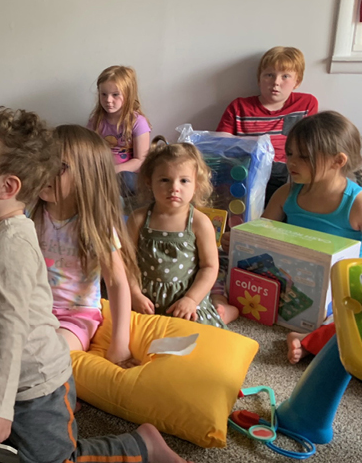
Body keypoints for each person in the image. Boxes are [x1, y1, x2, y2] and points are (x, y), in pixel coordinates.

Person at [0, 106, 198, 463]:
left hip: (37, 383)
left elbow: (13, 329)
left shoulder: (12, 244)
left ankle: (140, 446)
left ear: (7, 187)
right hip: (1, 363)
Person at [256, 112, 362, 364]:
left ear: (338, 161)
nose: (291, 162)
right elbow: (259, 234)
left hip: (340, 287)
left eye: (304, 156)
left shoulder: (356, 204)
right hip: (292, 276)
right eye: (290, 153)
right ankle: (311, 338)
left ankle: (308, 339)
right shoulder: (287, 193)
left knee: (350, 319)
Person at [32, 124, 139, 363]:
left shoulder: (95, 225)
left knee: (50, 357)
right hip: (34, 310)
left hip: (75, 317)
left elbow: (117, 282)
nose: (44, 173)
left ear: (86, 177)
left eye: (59, 167)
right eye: (42, 162)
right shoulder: (33, 215)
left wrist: (120, 343)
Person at [128, 142, 237, 327]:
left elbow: (209, 267)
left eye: (184, 180)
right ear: (149, 181)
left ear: (196, 184)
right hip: (145, 302)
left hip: (186, 302)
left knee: (199, 341)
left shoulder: (199, 223)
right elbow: (125, 262)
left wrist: (191, 300)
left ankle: (227, 311)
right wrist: (134, 294)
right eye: (165, 180)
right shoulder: (138, 219)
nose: (174, 188)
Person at [216, 46, 318, 204]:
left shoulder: (306, 104)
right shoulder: (239, 107)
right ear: (259, 79)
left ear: (297, 82)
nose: (276, 82)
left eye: (285, 76)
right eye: (269, 75)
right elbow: (220, 146)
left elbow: (311, 143)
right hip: (246, 172)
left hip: (288, 173)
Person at [87, 65, 151, 198]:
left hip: (128, 175)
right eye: (103, 94)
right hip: (100, 171)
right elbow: (87, 151)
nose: (108, 100)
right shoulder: (96, 121)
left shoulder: (138, 122)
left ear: (128, 95)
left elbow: (140, 160)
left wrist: (114, 170)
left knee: (124, 179)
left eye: (115, 95)